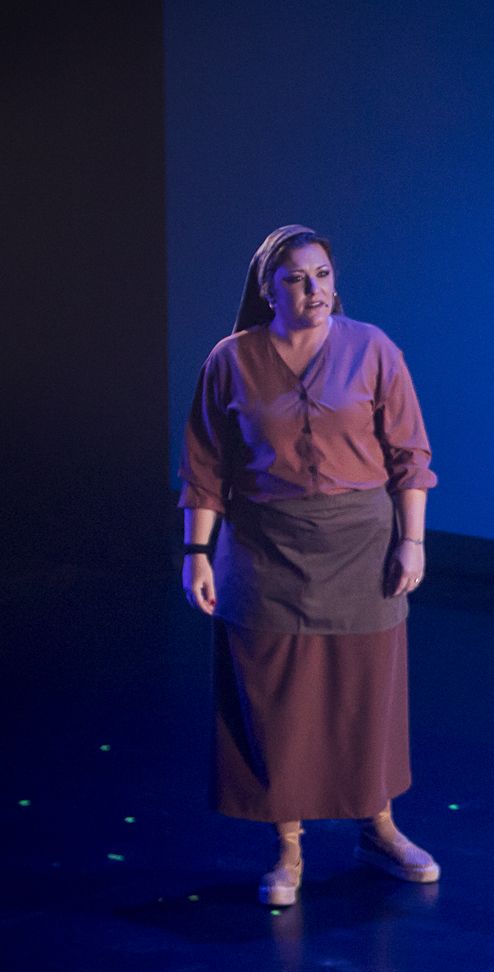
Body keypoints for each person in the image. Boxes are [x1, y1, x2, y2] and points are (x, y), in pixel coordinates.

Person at [179, 225, 440, 907]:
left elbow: (411, 454)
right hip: (265, 547)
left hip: (360, 544)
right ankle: (287, 847)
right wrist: (196, 553)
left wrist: (411, 541)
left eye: (322, 274)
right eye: (296, 277)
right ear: (267, 289)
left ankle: (378, 828)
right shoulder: (232, 360)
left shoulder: (373, 348)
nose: (314, 289)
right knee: (276, 699)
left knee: (364, 692)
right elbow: (205, 467)